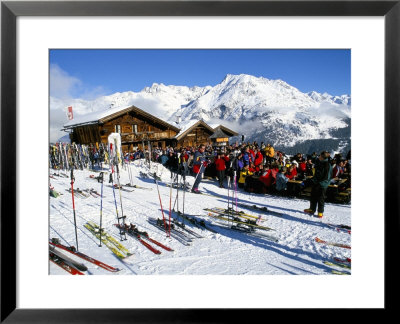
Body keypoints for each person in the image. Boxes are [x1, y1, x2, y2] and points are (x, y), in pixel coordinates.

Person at [304, 151, 332, 218]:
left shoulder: (327, 165)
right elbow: (314, 160)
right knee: (313, 195)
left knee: (320, 198)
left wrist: (320, 182)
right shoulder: (320, 162)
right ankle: (312, 209)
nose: (319, 156)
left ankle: (320, 212)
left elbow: (326, 177)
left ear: (322, 157)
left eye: (320, 156)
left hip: (322, 184)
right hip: (316, 182)